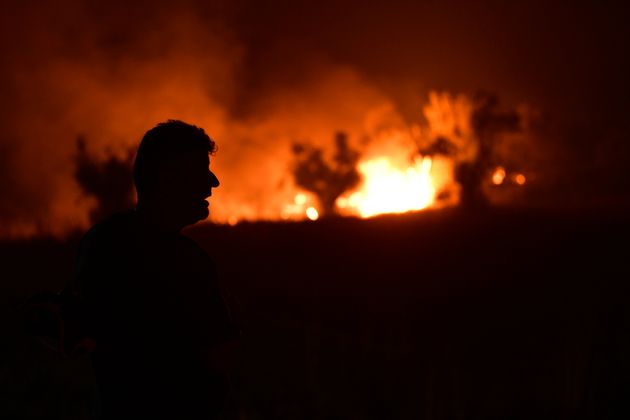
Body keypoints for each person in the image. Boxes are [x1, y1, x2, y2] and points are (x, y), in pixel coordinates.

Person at [73, 120, 239, 420]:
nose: (213, 182)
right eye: (201, 170)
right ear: (170, 178)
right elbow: (217, 356)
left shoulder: (103, 242)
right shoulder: (187, 261)